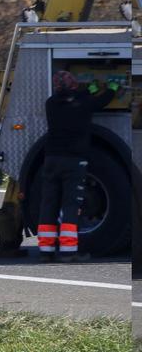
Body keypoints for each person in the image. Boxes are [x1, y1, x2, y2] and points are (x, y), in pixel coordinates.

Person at [36, 71, 121, 262]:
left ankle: (46, 251)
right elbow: (101, 101)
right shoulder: (83, 104)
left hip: (51, 159)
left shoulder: (50, 103)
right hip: (73, 161)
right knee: (70, 205)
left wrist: (88, 91)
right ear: (74, 85)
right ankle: (68, 251)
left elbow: (78, 99)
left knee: (48, 203)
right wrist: (112, 88)